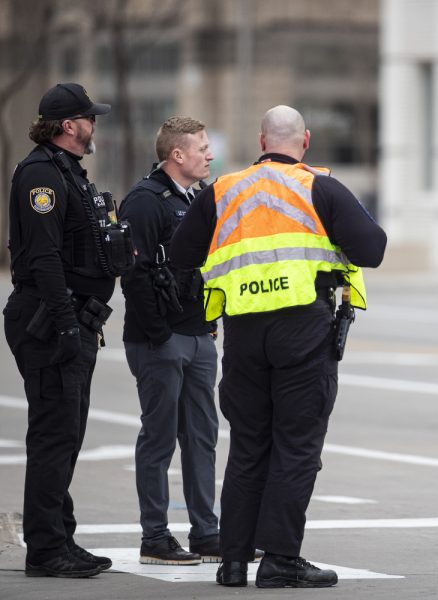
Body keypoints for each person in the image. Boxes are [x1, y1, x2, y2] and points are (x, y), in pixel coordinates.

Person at [169, 105, 387, 588]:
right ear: (304, 140)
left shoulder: (224, 190)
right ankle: (281, 559)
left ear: (261, 139)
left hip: (244, 334)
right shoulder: (321, 187)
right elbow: (373, 248)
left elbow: (181, 255)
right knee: (296, 448)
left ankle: (232, 562)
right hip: (303, 334)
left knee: (248, 447)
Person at [3, 83, 120, 577]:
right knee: (53, 436)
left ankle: (61, 537)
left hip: (71, 317)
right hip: (50, 320)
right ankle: (47, 549)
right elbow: (44, 258)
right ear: (69, 126)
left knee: (66, 435)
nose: (95, 125)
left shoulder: (68, 172)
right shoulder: (41, 177)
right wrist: (68, 326)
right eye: (89, 118)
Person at [118, 117, 220, 565]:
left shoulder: (197, 198)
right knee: (159, 439)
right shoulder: (144, 202)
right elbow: (134, 276)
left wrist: (209, 325)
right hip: (161, 340)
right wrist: (161, 335)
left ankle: (207, 533)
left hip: (199, 335)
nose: (209, 154)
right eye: (201, 147)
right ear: (177, 155)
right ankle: (154, 538)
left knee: (202, 436)